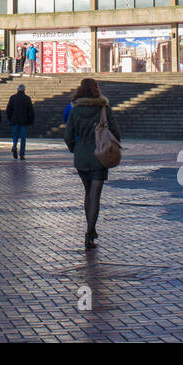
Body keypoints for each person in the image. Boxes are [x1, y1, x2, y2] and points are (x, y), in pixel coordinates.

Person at [64, 78, 120, 251]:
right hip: (100, 155)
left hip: (81, 156)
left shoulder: (75, 110)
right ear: (96, 90)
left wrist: (76, 148)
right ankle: (90, 231)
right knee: (95, 195)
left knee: (88, 192)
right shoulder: (103, 108)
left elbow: (68, 136)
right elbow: (116, 132)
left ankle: (90, 229)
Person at [6, 83, 35, 160]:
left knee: (15, 136)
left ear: (17, 89)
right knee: (23, 138)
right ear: (24, 90)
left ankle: (15, 145)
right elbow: (31, 111)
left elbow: (8, 109)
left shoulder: (13, 98)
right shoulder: (27, 98)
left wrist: (10, 118)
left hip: (14, 120)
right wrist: (31, 121)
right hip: (24, 121)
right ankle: (22, 154)